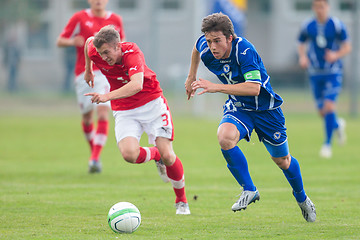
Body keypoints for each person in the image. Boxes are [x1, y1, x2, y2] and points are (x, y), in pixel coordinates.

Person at [185, 13, 316, 222]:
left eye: (217, 41)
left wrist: (215, 87)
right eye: (210, 41)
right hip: (239, 107)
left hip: (266, 110)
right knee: (224, 137)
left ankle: (301, 198)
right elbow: (196, 47)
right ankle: (249, 189)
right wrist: (191, 76)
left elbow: (254, 88)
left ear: (230, 37)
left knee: (282, 160)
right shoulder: (206, 47)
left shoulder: (244, 51)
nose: (212, 47)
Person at [83, 25, 190, 215]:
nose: (104, 57)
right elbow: (88, 42)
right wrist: (88, 69)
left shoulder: (132, 53)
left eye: (107, 52)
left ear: (118, 46)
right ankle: (155, 155)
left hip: (152, 104)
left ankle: (181, 200)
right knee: (129, 155)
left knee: (168, 154)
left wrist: (106, 96)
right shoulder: (95, 50)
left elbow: (136, 85)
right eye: (100, 53)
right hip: (125, 110)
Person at [56, 0, 126, 173]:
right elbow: (60, 41)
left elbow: (122, 44)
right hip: (84, 73)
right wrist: (73, 41)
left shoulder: (115, 19)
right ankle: (94, 153)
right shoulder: (79, 17)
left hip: (106, 73)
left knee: (103, 110)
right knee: (87, 118)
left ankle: (94, 159)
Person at [297, 0, 351, 158]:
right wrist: (302, 57)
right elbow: (300, 42)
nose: (319, 9)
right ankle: (337, 125)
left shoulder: (336, 25)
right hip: (315, 73)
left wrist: (336, 55)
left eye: (322, 6)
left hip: (332, 72)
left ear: (327, 7)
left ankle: (327, 144)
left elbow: (347, 46)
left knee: (329, 107)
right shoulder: (308, 25)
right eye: (316, 6)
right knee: (322, 112)